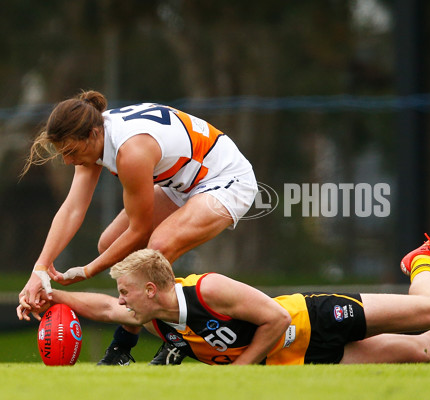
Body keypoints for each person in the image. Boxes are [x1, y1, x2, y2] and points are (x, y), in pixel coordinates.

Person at [17, 228, 430, 365]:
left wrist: (243, 372)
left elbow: (276, 317)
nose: (121, 301)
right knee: (420, 352)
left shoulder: (210, 290)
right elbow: (103, 308)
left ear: (154, 289)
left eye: (126, 290)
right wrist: (52, 300)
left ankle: (420, 261)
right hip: (302, 357)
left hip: (313, 317)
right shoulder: (154, 316)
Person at [17, 90, 258, 365]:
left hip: (227, 178)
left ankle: (160, 342)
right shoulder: (92, 133)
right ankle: (136, 344)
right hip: (183, 182)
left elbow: (139, 231)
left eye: (71, 152)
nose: (68, 161)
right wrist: (40, 269)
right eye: (63, 154)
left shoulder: (130, 151)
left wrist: (87, 271)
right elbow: (73, 208)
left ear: (94, 134)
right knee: (110, 246)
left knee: (157, 249)